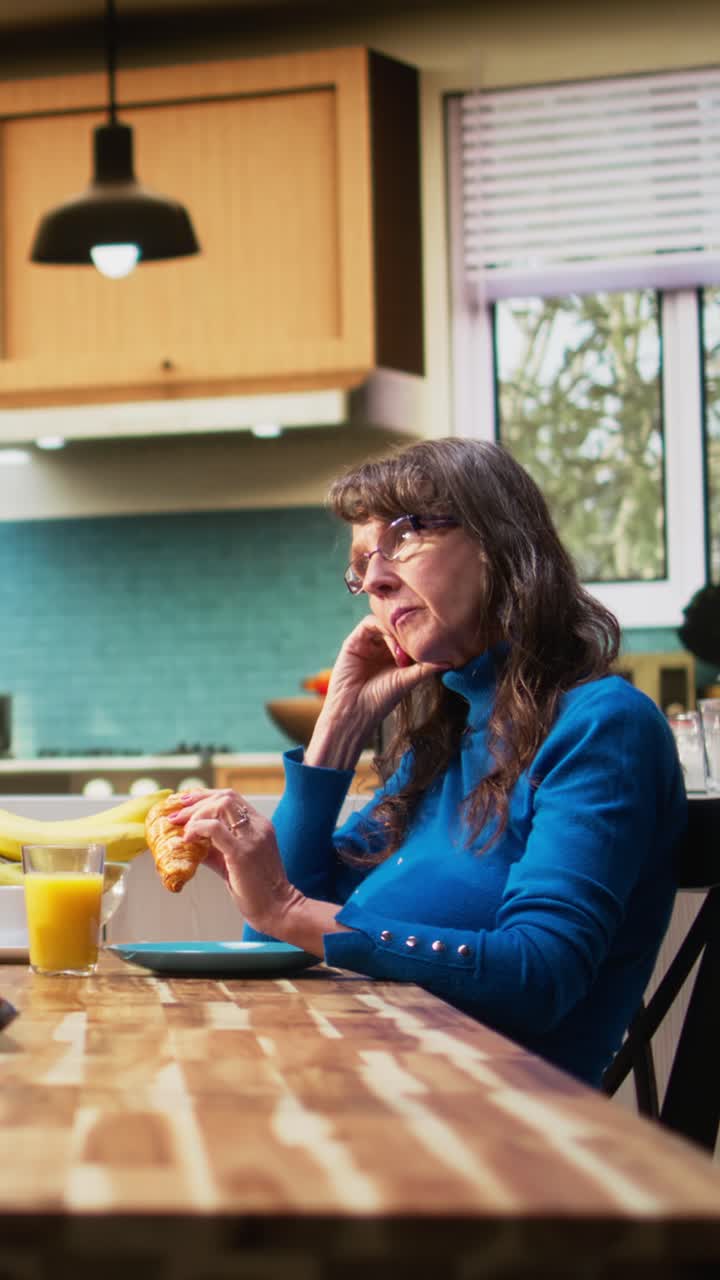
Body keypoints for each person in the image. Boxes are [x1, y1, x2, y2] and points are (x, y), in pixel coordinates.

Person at [170, 438, 687, 1087]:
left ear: (501, 544)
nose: (377, 579)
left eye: (404, 536)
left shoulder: (602, 726)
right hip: (361, 1091)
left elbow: (539, 977)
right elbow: (278, 950)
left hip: (492, 1136)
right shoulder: (438, 751)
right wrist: (339, 729)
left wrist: (287, 908)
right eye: (362, 566)